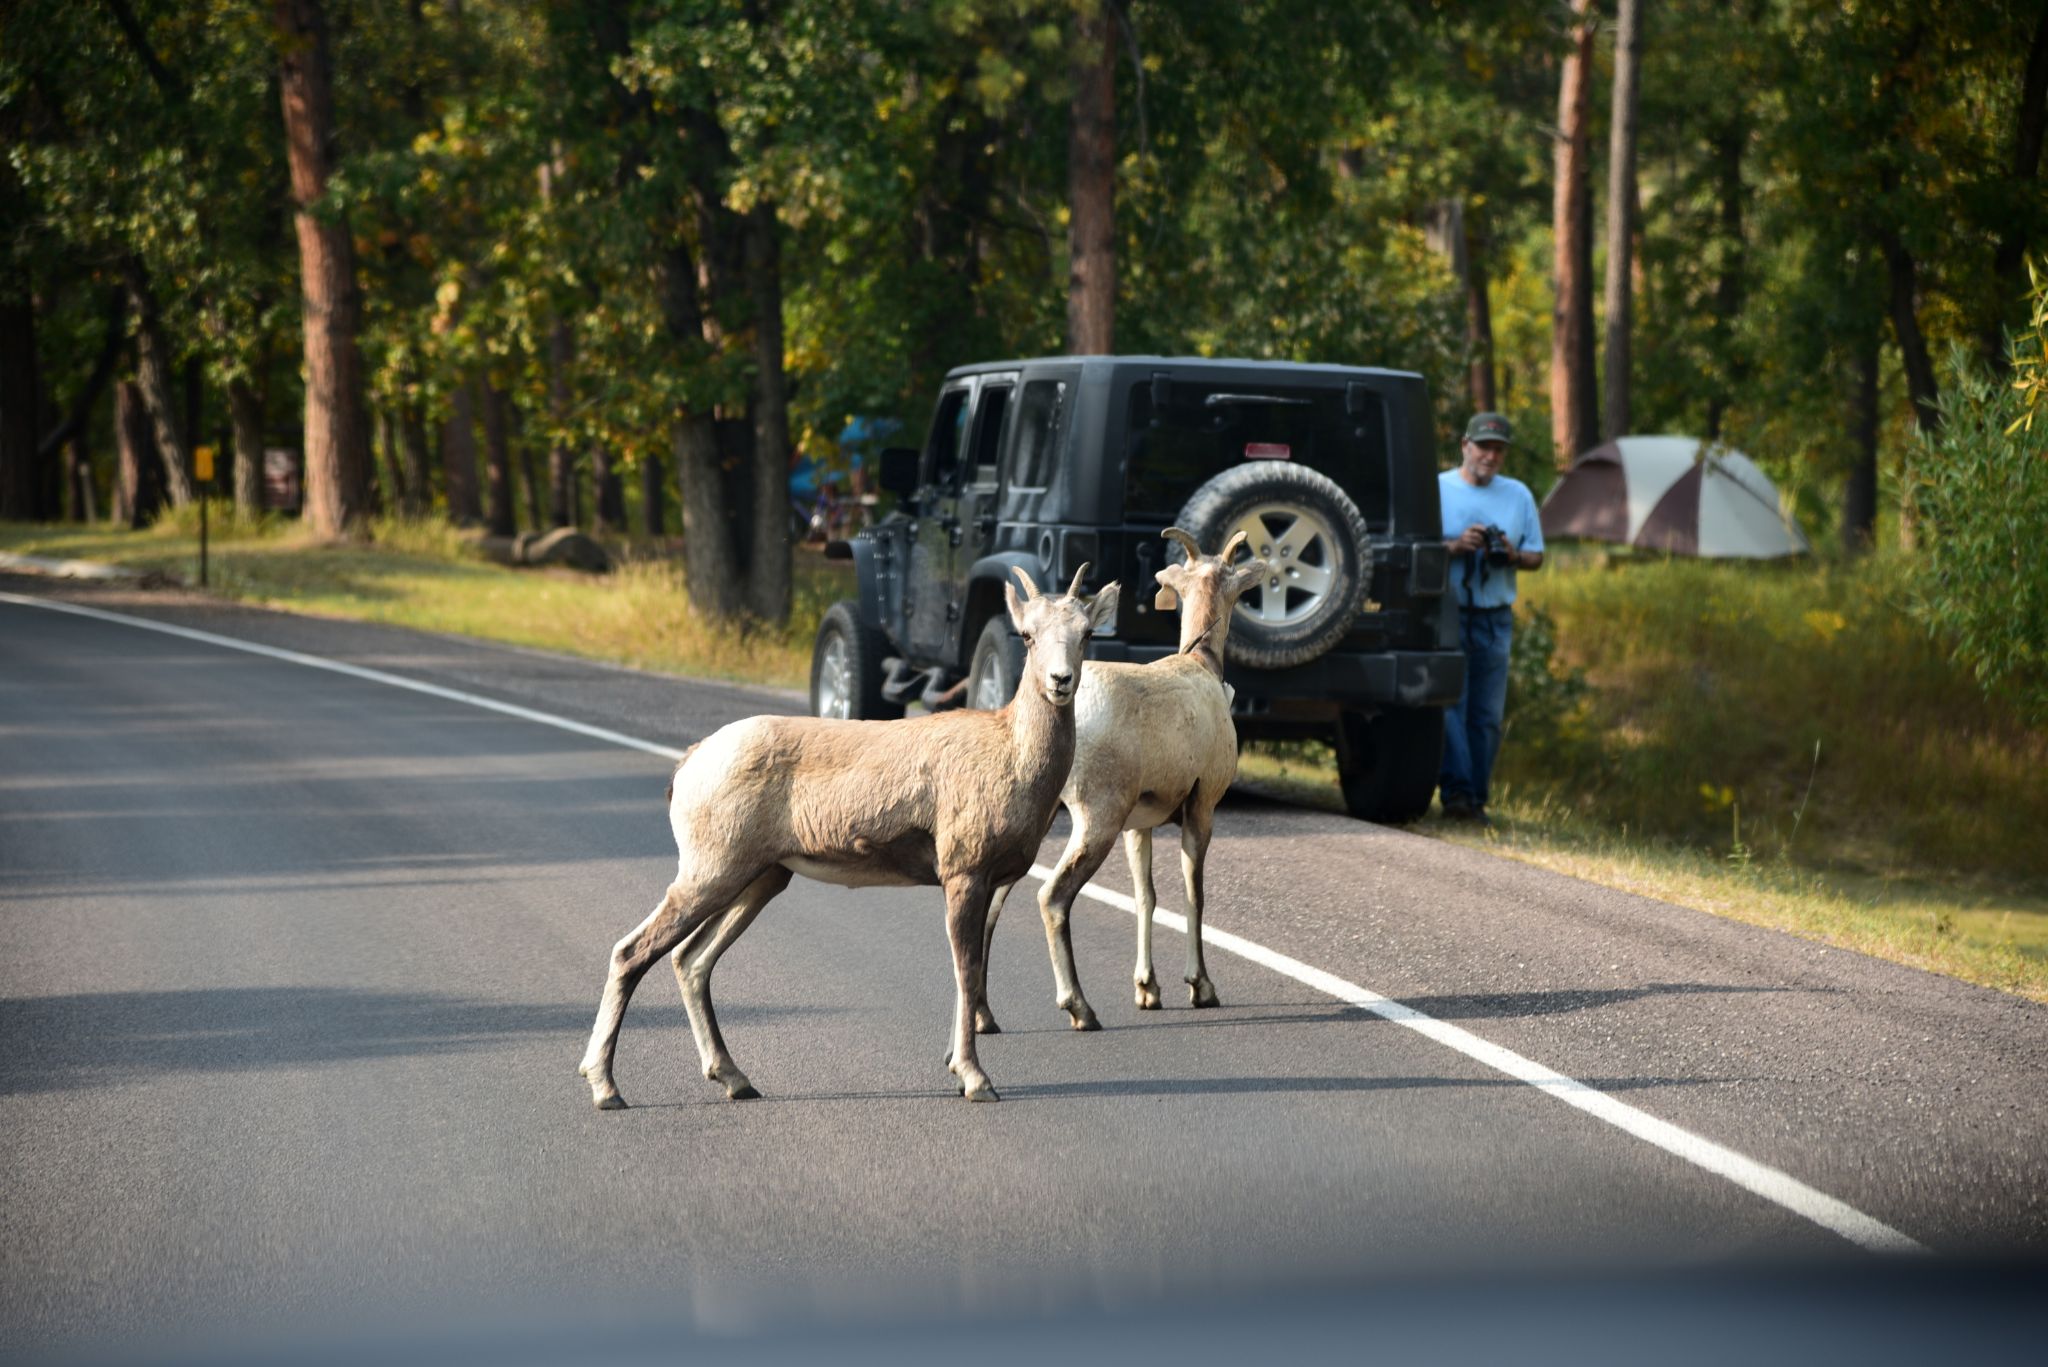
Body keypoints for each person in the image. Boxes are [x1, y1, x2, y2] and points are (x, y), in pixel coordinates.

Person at [1437, 412, 1544, 824]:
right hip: (1447, 612)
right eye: (1483, 446)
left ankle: (1476, 800)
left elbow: (1537, 555)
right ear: (1465, 445)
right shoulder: (1438, 487)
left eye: (1498, 449)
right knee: (1450, 705)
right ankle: (1458, 796)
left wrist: (1511, 555)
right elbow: (1418, 548)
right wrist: (1455, 546)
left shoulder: (1518, 495)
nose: (1490, 456)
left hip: (1495, 616)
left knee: (1487, 715)